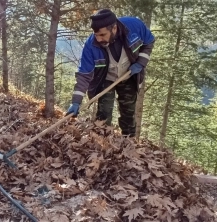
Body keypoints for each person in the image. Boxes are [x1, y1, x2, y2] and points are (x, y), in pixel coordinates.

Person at [66, 9, 155, 137]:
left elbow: (149, 41)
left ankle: (129, 143)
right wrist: (76, 101)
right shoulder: (91, 45)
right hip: (105, 79)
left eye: (102, 35)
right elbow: (84, 75)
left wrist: (141, 62)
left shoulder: (134, 26)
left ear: (114, 28)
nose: (98, 38)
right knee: (104, 113)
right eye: (96, 34)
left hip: (129, 75)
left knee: (128, 114)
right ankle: (102, 142)